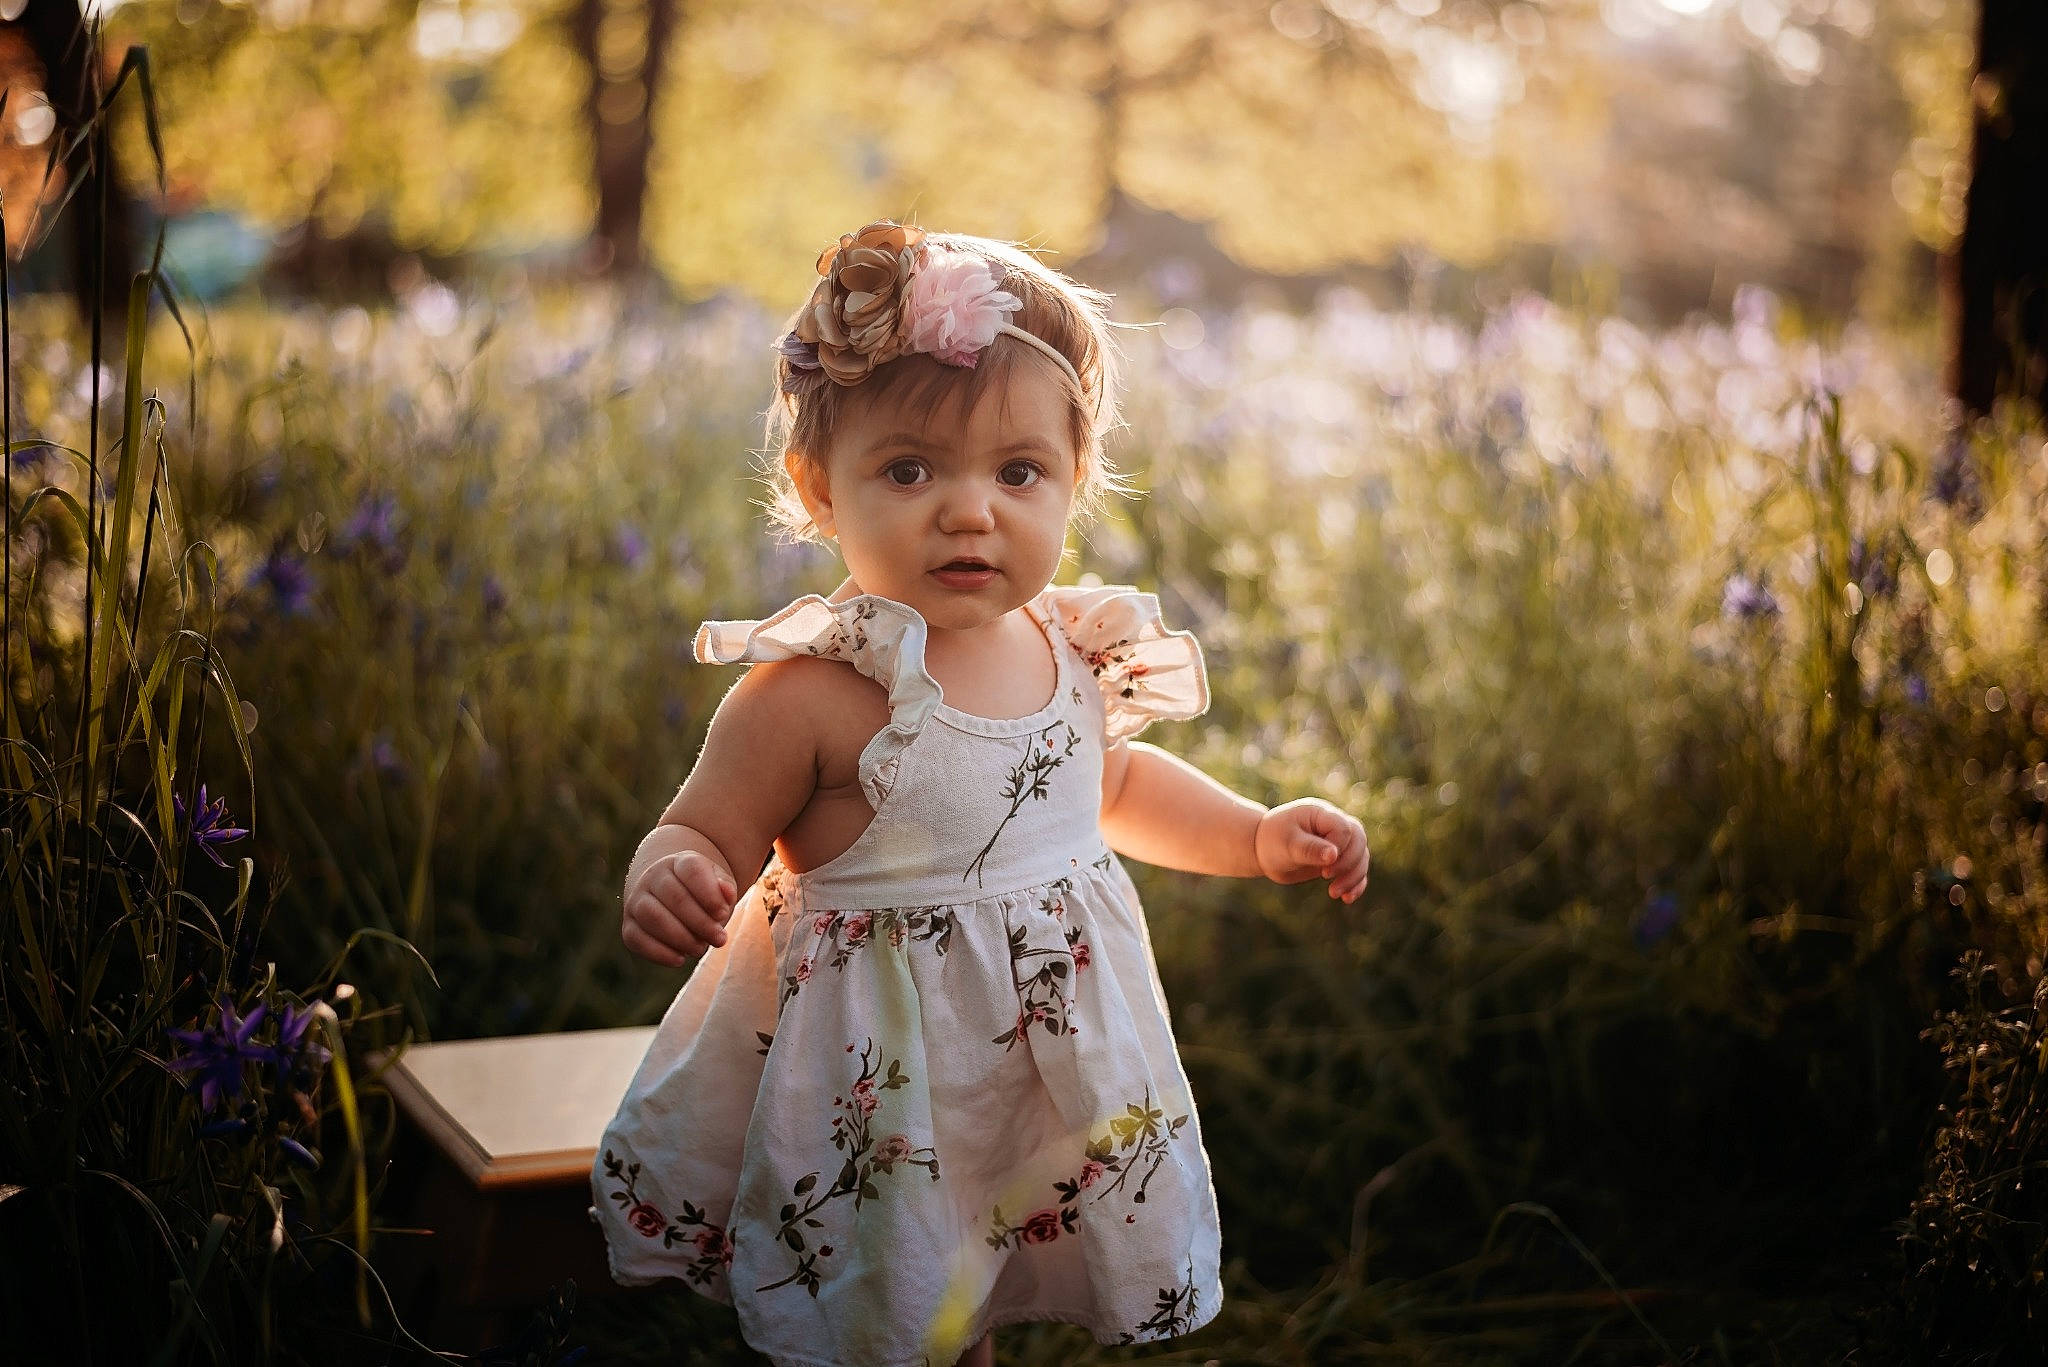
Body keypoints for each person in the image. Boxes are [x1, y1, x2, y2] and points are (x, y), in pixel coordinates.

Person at [588, 220, 1370, 1367]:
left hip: (1028, 1073)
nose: (969, 510)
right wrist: (672, 871)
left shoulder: (1067, 649)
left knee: (970, 1292)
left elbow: (1113, 785)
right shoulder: (808, 693)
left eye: (1017, 472)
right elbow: (700, 825)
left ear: (1073, 481)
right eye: (909, 470)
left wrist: (1252, 834)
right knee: (888, 1301)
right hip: (882, 1088)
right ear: (819, 487)